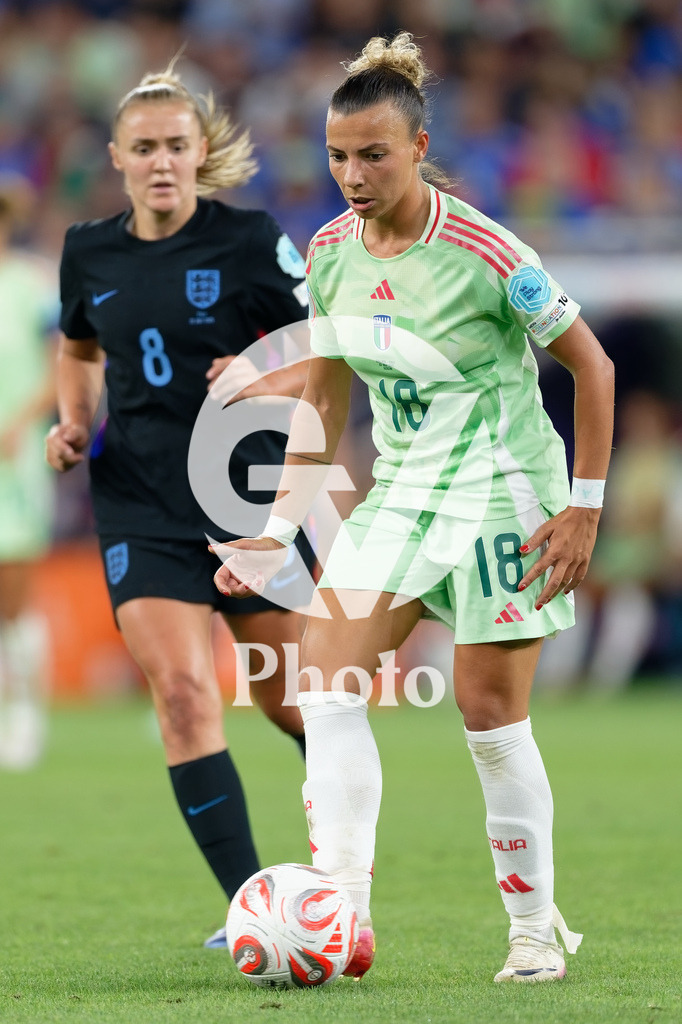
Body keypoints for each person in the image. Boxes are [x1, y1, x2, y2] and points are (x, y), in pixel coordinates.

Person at [213, 32, 615, 983]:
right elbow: (325, 397)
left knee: (488, 718)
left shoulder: (486, 251)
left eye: (374, 155)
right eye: (338, 157)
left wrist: (586, 506)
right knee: (325, 683)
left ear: (420, 145)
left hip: (499, 496)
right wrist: (276, 530)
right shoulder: (330, 254)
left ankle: (530, 932)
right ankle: (341, 912)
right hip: (401, 495)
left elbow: (590, 367)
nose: (353, 174)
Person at [45, 60, 311, 947]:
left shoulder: (249, 242)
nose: (162, 161)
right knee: (186, 697)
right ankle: (253, 906)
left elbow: (329, 351)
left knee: (293, 705)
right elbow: (79, 349)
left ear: (203, 153)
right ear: (117, 158)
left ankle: (342, 865)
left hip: (249, 496)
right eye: (145, 148)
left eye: (177, 146)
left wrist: (260, 368)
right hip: (139, 501)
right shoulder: (89, 250)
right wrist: (73, 421)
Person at [0, 180, 57, 770]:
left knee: (14, 591)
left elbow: (58, 372)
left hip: (12, 463)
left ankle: (26, 715)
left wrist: (18, 423)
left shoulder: (32, 286)